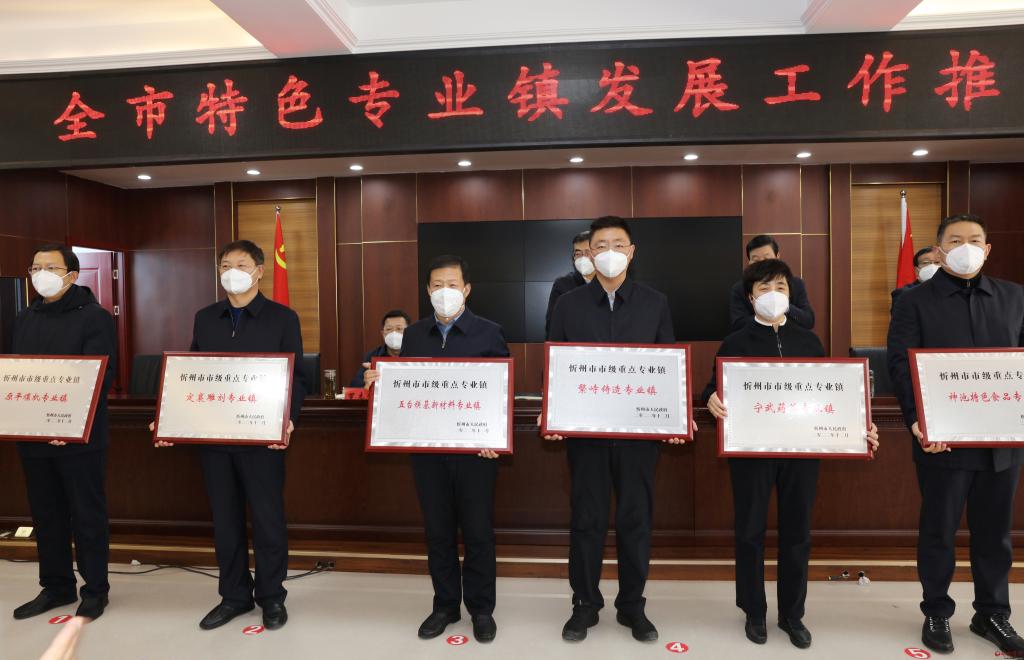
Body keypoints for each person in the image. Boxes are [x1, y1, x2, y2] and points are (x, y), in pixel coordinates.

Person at [704, 259, 879, 649]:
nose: (773, 295)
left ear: (791, 294)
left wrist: (859, 428)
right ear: (751, 298)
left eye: (780, 287)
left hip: (801, 452)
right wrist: (711, 397)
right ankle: (753, 611)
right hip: (751, 453)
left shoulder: (809, 341)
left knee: (797, 533)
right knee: (749, 532)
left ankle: (792, 614)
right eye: (764, 288)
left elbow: (833, 396)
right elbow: (711, 388)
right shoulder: (735, 342)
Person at [545, 216, 692, 643]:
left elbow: (667, 365)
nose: (609, 251)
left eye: (617, 244)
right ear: (589, 254)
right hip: (586, 436)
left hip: (638, 438)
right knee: (586, 521)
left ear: (631, 251)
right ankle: (584, 604)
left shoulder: (655, 303)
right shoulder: (568, 305)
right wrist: (553, 414)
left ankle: (632, 606)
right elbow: (555, 364)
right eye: (600, 245)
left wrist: (674, 417)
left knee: (635, 521)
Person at [887, 214, 1024, 656]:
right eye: (955, 240)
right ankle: (936, 611)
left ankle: (992, 613)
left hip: (1000, 442)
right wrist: (917, 421)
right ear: (940, 250)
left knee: (995, 534)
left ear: (987, 249)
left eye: (975, 240)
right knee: (939, 531)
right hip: (940, 440)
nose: (967, 248)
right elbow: (900, 365)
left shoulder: (1014, 297)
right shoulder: (913, 301)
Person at [155, 240, 306, 632]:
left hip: (263, 440)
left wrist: (288, 419)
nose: (232, 271)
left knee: (268, 520)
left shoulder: (282, 318)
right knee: (225, 522)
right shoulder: (206, 318)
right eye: (225, 264)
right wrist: (171, 419)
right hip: (216, 440)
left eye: (241, 264)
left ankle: (271, 597)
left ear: (259, 271)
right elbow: (192, 373)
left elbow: (297, 377)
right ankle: (234, 596)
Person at [365, 255, 509, 643]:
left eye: (452, 285)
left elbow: (501, 391)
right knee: (438, 532)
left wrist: (495, 437)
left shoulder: (489, 333)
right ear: (427, 291)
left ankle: (481, 608)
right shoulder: (413, 335)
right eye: (437, 285)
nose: (445, 292)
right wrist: (379, 382)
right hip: (428, 452)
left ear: (467, 289)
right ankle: (445, 605)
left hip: (476, 454)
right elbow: (405, 388)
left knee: (478, 532)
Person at [11, 244, 117, 623]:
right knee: (46, 514)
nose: (41, 274)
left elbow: (100, 376)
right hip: (35, 436)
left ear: (72, 275)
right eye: (35, 267)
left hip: (79, 438)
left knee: (87, 515)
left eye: (51, 267)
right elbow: (18, 375)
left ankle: (95, 590)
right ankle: (56, 586)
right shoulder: (26, 317)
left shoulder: (95, 317)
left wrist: (70, 423)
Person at [729, 235, 814, 331]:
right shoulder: (740, 288)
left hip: (791, 337)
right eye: (756, 260)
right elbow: (738, 325)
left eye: (766, 259)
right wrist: (763, 311)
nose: (762, 265)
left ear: (777, 257)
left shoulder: (796, 283)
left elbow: (808, 321)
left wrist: (783, 305)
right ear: (749, 262)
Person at [545, 231, 594, 338]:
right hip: (571, 345)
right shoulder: (562, 285)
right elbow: (552, 324)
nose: (583, 258)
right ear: (573, 258)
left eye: (587, 252)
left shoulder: (608, 284)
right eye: (578, 254)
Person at [350, 310, 411, 388]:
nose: (394, 333)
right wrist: (366, 382)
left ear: (409, 332)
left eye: (399, 329)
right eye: (389, 329)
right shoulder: (373, 356)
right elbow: (354, 386)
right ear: (383, 334)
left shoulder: (419, 354)